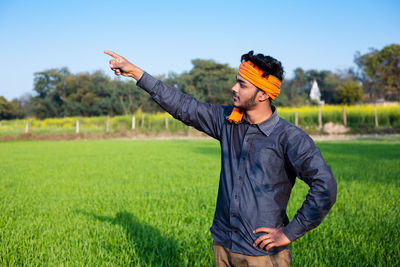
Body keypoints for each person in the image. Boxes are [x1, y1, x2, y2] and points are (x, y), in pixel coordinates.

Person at [104, 50, 337, 267]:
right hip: (223, 246)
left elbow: (324, 185)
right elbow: (183, 106)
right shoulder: (227, 121)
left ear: (264, 94)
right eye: (236, 80)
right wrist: (136, 73)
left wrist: (288, 232)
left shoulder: (290, 138)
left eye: (242, 84)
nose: (234, 88)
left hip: (262, 254)